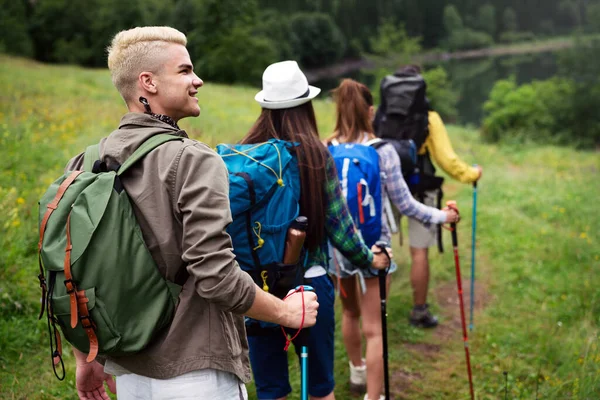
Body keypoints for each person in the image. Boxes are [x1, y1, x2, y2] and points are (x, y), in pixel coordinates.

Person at [66, 27, 319, 400]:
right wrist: (286, 313)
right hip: (197, 371)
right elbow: (215, 275)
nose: (197, 80)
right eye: (184, 71)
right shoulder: (193, 159)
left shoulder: (87, 161)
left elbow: (76, 268)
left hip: (129, 371)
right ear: (148, 82)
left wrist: (87, 358)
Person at [240, 61, 392, 400]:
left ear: (265, 106)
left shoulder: (246, 155)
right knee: (320, 388)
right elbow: (340, 229)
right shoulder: (314, 155)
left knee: (271, 389)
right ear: (306, 105)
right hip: (310, 283)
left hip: (257, 289)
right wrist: (371, 260)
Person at [325, 79, 460, 400]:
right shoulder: (384, 151)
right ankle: (374, 396)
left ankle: (356, 370)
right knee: (375, 329)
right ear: (371, 111)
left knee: (349, 313)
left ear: (338, 110)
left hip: (339, 250)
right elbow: (406, 205)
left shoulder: (325, 148)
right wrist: (443, 217)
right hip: (376, 250)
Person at [375, 65, 483, 329]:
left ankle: (377, 316)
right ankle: (419, 311)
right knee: (419, 251)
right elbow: (447, 159)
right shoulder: (428, 117)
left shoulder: (380, 114)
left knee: (380, 249)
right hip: (421, 187)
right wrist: (472, 174)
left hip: (386, 187)